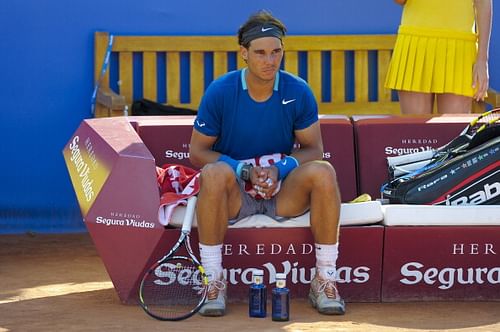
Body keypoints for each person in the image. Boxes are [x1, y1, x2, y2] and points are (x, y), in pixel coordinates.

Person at [188, 10, 345, 316]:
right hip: (235, 193)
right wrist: (243, 170)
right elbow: (197, 152)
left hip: (282, 190)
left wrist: (280, 168)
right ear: (243, 54)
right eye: (260, 53)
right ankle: (213, 280)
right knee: (213, 172)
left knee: (324, 172)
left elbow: (314, 150)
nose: (269, 60)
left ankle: (325, 279)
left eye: (276, 52)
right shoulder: (221, 91)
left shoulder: (297, 90)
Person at [385, 0, 492, 114]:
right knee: (415, 130)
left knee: (453, 131)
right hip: (416, 45)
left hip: (459, 48)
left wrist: (482, 60)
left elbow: (483, 2)